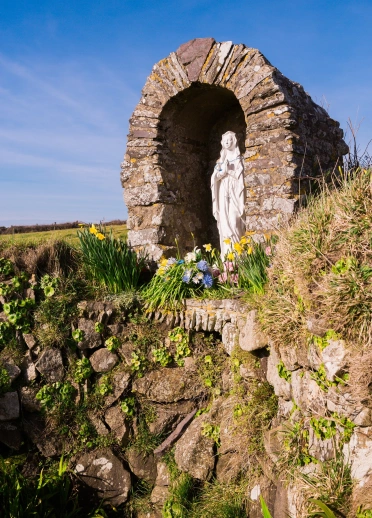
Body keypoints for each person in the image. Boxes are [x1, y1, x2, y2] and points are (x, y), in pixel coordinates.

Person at [211, 131, 245, 258]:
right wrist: (222, 172)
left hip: (235, 192)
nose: (227, 142)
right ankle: (227, 257)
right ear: (222, 143)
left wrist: (228, 172)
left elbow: (240, 177)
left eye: (229, 139)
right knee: (224, 222)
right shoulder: (221, 161)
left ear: (234, 141)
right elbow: (214, 178)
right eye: (224, 140)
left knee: (234, 220)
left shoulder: (239, 159)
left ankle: (238, 256)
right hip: (223, 192)